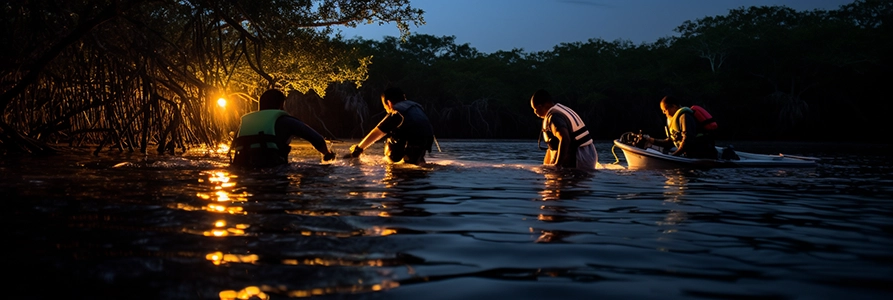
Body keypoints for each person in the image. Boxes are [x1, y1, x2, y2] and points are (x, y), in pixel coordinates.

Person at [229, 89, 335, 168]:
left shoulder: (244, 124)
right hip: (273, 170)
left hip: (241, 170)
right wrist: (327, 154)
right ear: (281, 105)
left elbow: (233, 148)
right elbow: (318, 140)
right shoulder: (286, 121)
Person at [347, 87, 434, 165]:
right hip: (427, 140)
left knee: (391, 137)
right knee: (416, 159)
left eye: (385, 107)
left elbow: (378, 132)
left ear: (389, 103)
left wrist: (359, 149)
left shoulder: (397, 111)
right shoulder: (416, 107)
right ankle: (418, 161)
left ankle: (395, 161)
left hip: (412, 139)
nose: (386, 110)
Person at [530, 89, 598, 170]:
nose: (535, 112)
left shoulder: (554, 117)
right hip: (589, 155)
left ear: (540, 107)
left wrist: (557, 165)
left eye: (535, 109)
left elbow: (565, 139)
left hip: (579, 158)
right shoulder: (561, 109)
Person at [642, 96, 717, 159]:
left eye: (665, 110)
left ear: (674, 106)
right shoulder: (674, 119)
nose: (663, 112)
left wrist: (672, 156)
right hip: (689, 153)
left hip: (702, 153)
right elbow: (670, 142)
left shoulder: (684, 116)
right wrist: (652, 140)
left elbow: (687, 141)